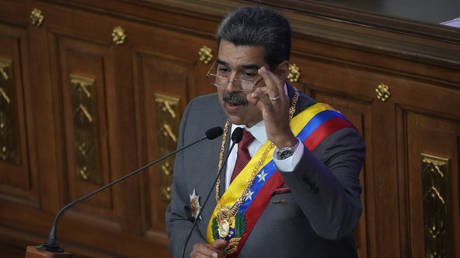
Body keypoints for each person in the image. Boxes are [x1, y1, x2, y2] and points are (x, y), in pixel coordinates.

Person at [166, 6, 365, 258]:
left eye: (248, 74)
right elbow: (179, 216)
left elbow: (336, 224)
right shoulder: (199, 115)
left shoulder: (331, 135)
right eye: (223, 70)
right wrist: (192, 251)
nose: (229, 87)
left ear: (280, 73)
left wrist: (285, 143)